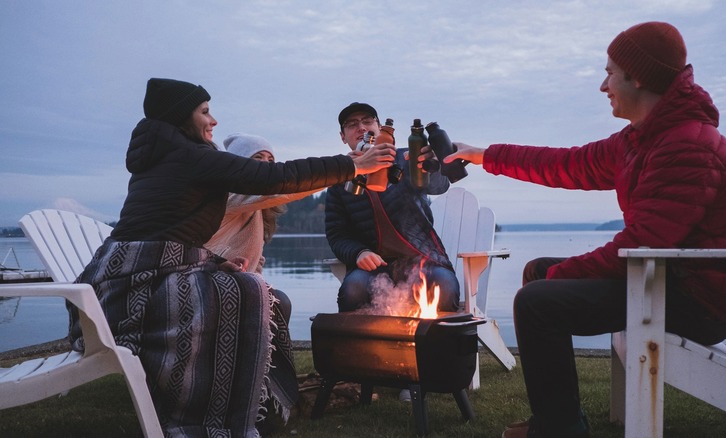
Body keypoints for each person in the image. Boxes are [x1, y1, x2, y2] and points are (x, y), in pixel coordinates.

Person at [444, 22, 726, 438]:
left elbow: (643, 243)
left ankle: (559, 431)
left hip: (704, 299)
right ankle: (556, 419)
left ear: (638, 77)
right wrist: (482, 155)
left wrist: (563, 275)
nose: (603, 84)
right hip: (668, 280)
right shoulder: (642, 140)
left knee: (537, 301)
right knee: (539, 274)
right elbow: (567, 164)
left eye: (609, 72)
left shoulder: (688, 146)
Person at [70, 78, 395, 437]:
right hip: (133, 284)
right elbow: (276, 178)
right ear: (182, 117)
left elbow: (170, 232)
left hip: (140, 272)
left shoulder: (169, 156)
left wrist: (208, 262)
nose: (214, 121)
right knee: (241, 294)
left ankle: (256, 400)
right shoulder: (190, 156)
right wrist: (353, 166)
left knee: (246, 288)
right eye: (205, 112)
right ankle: (231, 407)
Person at [325, 102, 460, 315]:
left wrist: (431, 165)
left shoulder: (406, 158)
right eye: (352, 124)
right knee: (353, 290)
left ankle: (440, 347)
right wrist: (359, 252)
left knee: (444, 288)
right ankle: (362, 348)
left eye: (367, 121)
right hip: (373, 268)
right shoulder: (340, 179)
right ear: (343, 137)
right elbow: (337, 236)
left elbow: (439, 186)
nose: (361, 127)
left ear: (380, 129)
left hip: (423, 259)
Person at [206, 133, 320, 324]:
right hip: (211, 281)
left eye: (271, 160)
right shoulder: (227, 195)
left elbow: (256, 261)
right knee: (278, 301)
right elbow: (284, 188)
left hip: (242, 284)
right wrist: (343, 171)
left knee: (278, 301)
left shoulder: (258, 210)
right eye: (258, 158)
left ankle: (265, 353)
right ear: (240, 163)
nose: (266, 165)